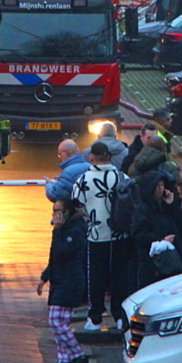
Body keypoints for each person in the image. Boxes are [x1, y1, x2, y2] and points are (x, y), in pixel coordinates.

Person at [71, 141, 130, 330]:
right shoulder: (121, 176)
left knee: (96, 277)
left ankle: (95, 317)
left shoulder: (83, 180)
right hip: (119, 235)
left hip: (95, 235)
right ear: (109, 157)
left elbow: (76, 203)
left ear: (92, 157)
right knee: (119, 276)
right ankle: (119, 316)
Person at [36, 197, 90, 363]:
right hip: (60, 280)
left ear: (68, 212)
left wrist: (57, 231)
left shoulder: (74, 231)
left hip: (70, 282)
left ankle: (78, 356)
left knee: (56, 321)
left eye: (58, 212)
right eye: (54, 211)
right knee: (61, 324)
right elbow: (55, 256)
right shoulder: (64, 230)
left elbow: (63, 252)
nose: (55, 216)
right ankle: (64, 362)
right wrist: (45, 276)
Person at [131, 169, 182, 290]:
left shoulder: (166, 206)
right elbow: (138, 234)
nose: (160, 188)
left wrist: (172, 205)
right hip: (153, 262)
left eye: (162, 185)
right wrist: (161, 240)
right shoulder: (143, 210)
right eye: (157, 185)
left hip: (172, 259)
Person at [45, 139, 89, 203]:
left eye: (59, 154)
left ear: (66, 152)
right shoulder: (90, 166)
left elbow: (55, 196)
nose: (60, 157)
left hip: (76, 211)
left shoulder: (67, 172)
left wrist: (48, 184)